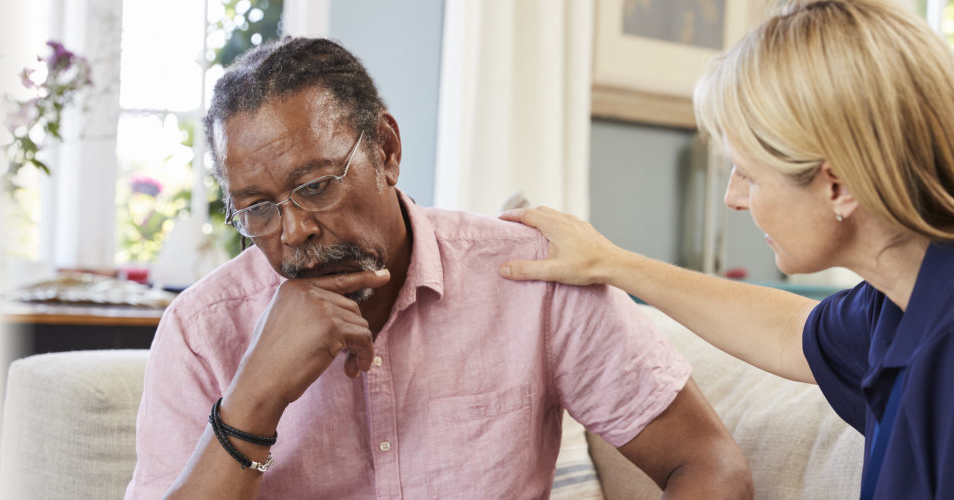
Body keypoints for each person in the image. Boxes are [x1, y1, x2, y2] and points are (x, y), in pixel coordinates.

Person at [498, 1, 954, 499]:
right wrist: (614, 262)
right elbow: (792, 335)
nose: (733, 197)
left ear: (836, 183)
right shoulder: (921, 289)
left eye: (747, 174)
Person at [123, 37, 752, 499]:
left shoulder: (529, 278)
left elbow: (707, 464)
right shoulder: (201, 330)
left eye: (315, 186)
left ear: (387, 150)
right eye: (256, 210)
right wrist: (254, 397)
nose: (293, 232)